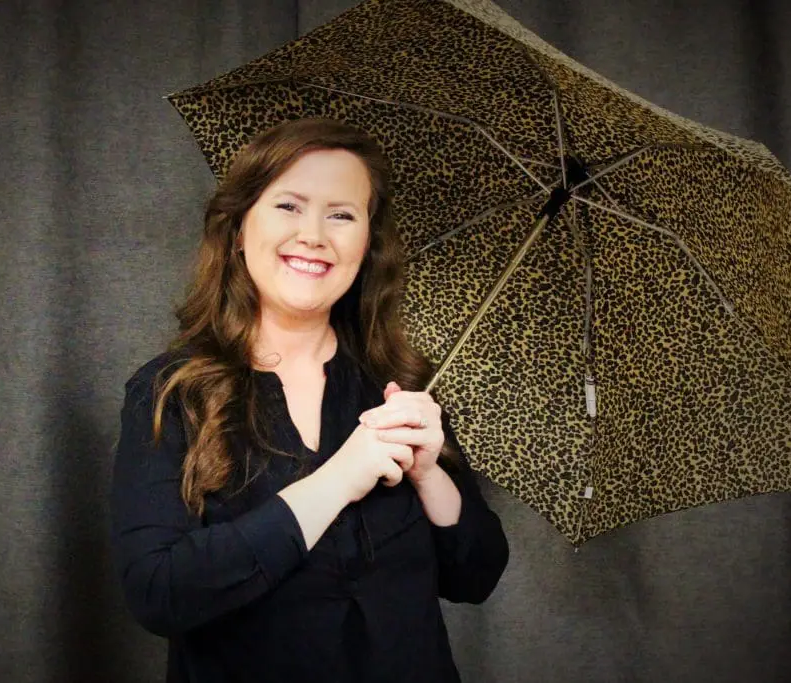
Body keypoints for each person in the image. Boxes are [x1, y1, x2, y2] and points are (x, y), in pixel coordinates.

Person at [111, 118, 508, 683]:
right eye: (289, 206)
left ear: (367, 244)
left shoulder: (400, 387)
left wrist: (428, 474)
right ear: (239, 229)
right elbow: (158, 593)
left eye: (341, 215)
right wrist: (340, 478)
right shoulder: (171, 393)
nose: (314, 235)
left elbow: (476, 576)